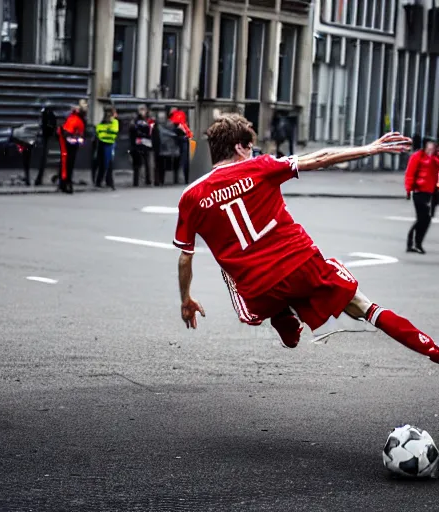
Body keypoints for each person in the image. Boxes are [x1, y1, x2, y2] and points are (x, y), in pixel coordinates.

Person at [173, 114, 439, 365]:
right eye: (251, 148)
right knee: (365, 307)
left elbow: (185, 257)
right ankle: (433, 350)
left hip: (257, 290)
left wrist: (186, 299)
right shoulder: (260, 167)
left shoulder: (191, 196)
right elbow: (320, 158)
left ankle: (281, 315)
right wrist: (368, 149)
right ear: (240, 148)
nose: (253, 153)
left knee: (234, 271)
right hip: (301, 267)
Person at [405, 139, 439, 254]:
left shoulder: (436, 158)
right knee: (422, 218)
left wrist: (433, 157)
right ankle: (414, 242)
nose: (431, 148)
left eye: (433, 146)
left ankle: (416, 242)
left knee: (427, 219)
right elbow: (410, 173)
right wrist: (409, 190)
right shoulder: (417, 157)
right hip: (420, 191)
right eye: (429, 146)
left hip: (433, 192)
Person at [58, 99, 87, 194]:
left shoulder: (79, 118)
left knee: (68, 164)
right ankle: (66, 183)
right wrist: (76, 139)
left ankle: (64, 183)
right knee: (67, 164)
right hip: (68, 143)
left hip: (72, 143)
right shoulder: (75, 119)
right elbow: (68, 132)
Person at [94, 106, 119, 190]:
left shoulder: (102, 123)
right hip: (109, 144)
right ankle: (109, 183)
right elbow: (114, 131)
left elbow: (99, 132)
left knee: (103, 164)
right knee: (108, 164)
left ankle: (102, 181)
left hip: (103, 143)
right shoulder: (114, 122)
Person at [129, 105, 153, 187]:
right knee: (137, 164)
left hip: (147, 143)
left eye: (143, 110)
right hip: (138, 143)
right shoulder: (135, 120)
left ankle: (148, 180)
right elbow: (132, 131)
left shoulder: (149, 119)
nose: (142, 111)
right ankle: (135, 182)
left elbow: (151, 130)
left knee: (147, 163)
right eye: (140, 110)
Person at [35, 105, 58, 186]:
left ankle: (39, 180)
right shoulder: (50, 115)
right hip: (47, 138)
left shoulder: (46, 115)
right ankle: (39, 179)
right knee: (43, 158)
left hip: (45, 138)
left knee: (43, 158)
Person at [169, 108, 193, 184]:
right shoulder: (171, 124)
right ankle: (177, 179)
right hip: (176, 143)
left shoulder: (182, 124)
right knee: (176, 161)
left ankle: (184, 178)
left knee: (183, 161)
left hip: (182, 143)